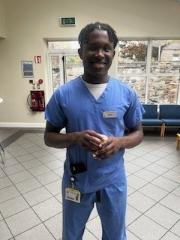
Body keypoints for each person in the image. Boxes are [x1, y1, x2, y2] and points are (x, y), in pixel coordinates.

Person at [44, 22, 144, 240]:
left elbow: (138, 132)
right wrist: (74, 138)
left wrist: (119, 142)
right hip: (77, 180)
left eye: (106, 48)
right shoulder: (63, 95)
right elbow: (49, 137)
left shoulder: (126, 94)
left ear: (113, 53)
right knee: (71, 234)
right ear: (81, 52)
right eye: (92, 47)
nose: (99, 54)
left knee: (115, 234)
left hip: (113, 180)